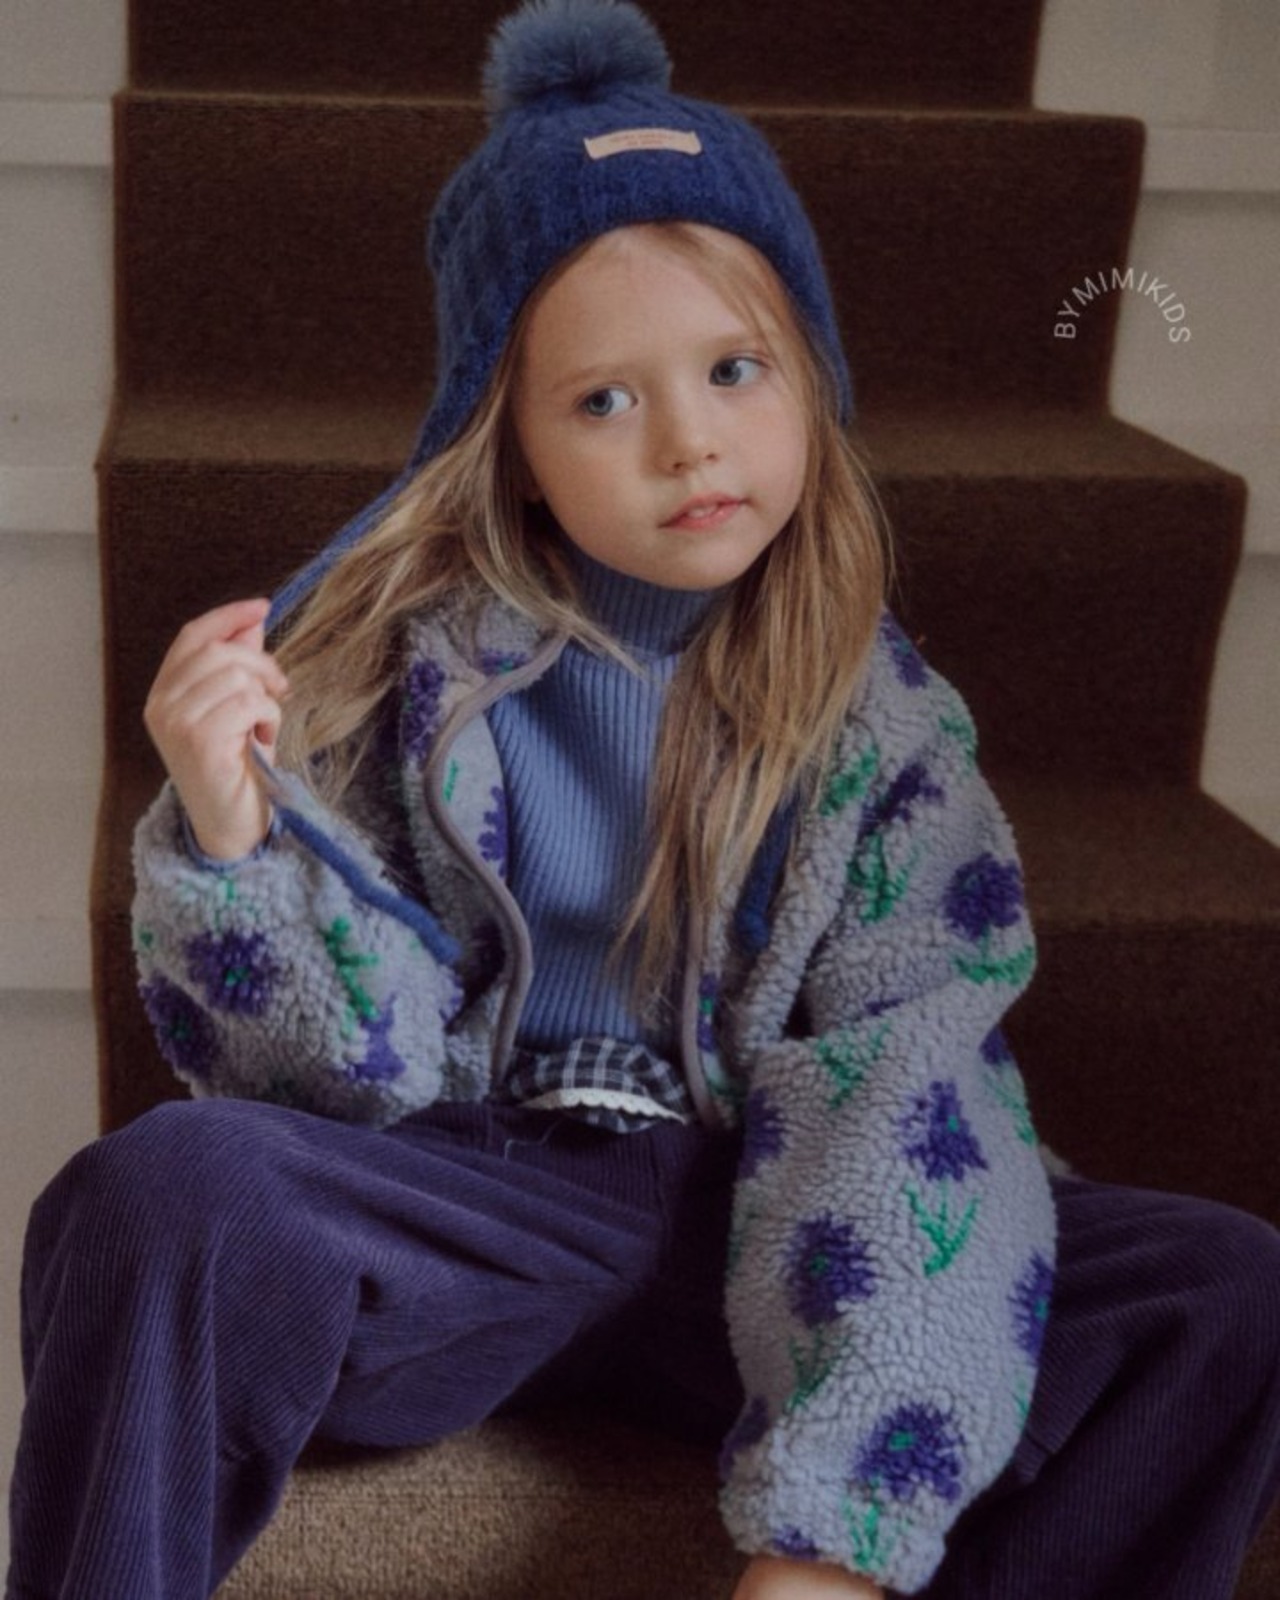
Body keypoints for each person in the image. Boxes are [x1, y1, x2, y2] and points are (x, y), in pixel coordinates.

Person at [8, 2, 1280, 1597]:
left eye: (736, 370)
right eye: (604, 400)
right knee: (154, 1191)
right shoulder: (396, 671)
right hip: (479, 1194)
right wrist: (231, 837)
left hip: (767, 1208)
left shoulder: (885, 729)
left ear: (810, 382)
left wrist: (832, 1545)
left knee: (1221, 1290)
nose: (689, 442)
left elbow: (902, 1087)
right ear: (512, 446)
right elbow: (337, 1084)